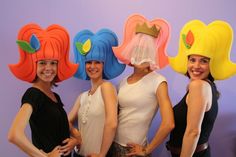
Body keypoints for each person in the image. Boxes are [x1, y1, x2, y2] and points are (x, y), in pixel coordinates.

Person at [8, 23, 80, 157]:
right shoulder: (33, 95)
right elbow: (14, 135)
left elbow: (62, 126)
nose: (48, 68)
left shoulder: (54, 96)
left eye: (53, 63)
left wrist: (75, 140)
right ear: (34, 65)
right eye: (42, 63)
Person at [166, 20, 236, 157]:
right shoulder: (206, 86)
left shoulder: (198, 86)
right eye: (192, 60)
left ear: (212, 64)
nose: (196, 66)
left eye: (204, 61)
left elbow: (193, 132)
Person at [108, 14, 175, 156]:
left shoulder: (158, 82)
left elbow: (169, 123)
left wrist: (147, 150)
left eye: (147, 49)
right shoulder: (123, 83)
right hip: (111, 146)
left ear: (153, 52)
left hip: (131, 151)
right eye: (138, 48)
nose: (141, 53)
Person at [68, 28, 126, 157]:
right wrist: (75, 134)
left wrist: (102, 154)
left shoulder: (107, 87)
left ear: (103, 65)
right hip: (78, 154)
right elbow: (66, 121)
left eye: (97, 62)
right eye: (89, 62)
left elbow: (112, 123)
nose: (92, 66)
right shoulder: (82, 97)